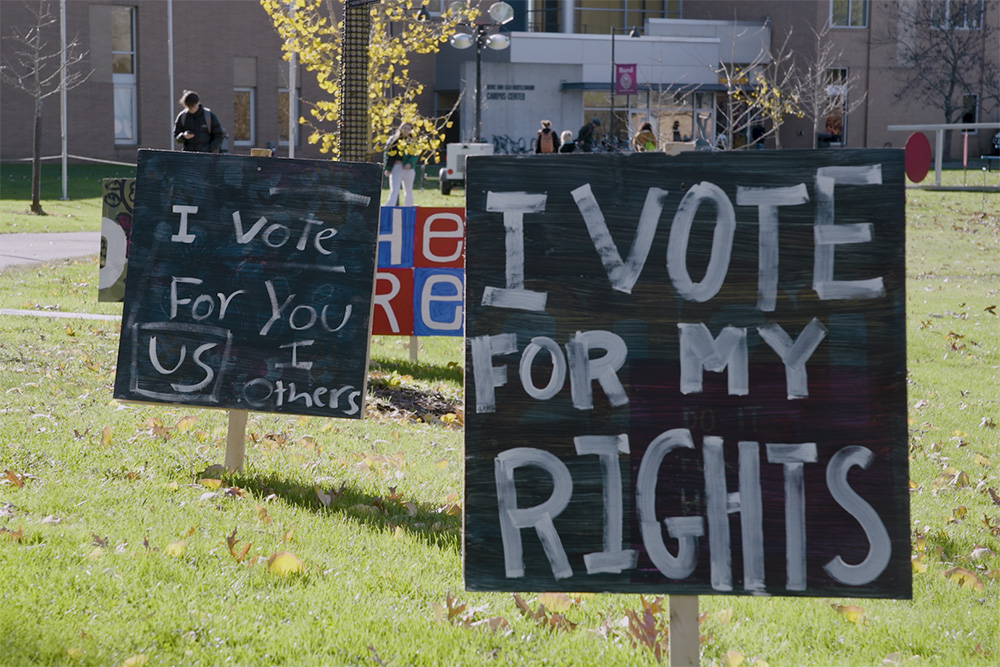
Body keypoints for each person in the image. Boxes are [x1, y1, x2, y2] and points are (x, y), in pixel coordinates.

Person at [383, 122, 418, 207]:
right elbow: (387, 154)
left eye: (408, 129)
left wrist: (410, 163)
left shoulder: (412, 141)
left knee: (408, 190)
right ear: (401, 129)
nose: (406, 130)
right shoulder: (393, 140)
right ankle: (389, 207)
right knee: (394, 190)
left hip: (408, 169)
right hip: (396, 167)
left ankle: (408, 207)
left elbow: (415, 154)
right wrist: (387, 168)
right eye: (404, 128)